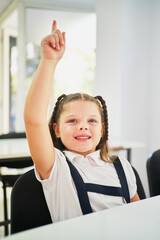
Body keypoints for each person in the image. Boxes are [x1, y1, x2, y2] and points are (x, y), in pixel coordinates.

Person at [24, 20, 140, 223]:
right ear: (56, 130)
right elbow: (33, 120)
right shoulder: (55, 166)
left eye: (92, 121)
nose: (83, 126)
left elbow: (140, 217)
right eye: (72, 120)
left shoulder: (122, 166)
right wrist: (49, 60)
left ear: (103, 129)